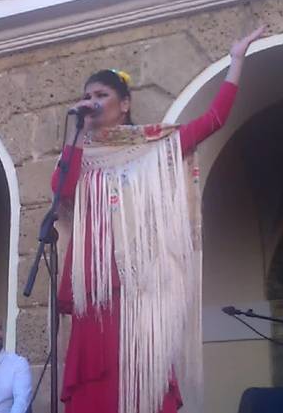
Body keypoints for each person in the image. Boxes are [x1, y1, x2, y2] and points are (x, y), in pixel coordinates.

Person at [52, 25, 267, 413]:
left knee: (142, 373)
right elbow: (61, 189)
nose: (92, 102)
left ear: (124, 104)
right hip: (95, 284)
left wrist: (236, 61)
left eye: (101, 95)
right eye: (88, 96)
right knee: (96, 385)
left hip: (140, 283)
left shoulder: (152, 146)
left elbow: (214, 119)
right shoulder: (81, 154)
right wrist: (77, 134)